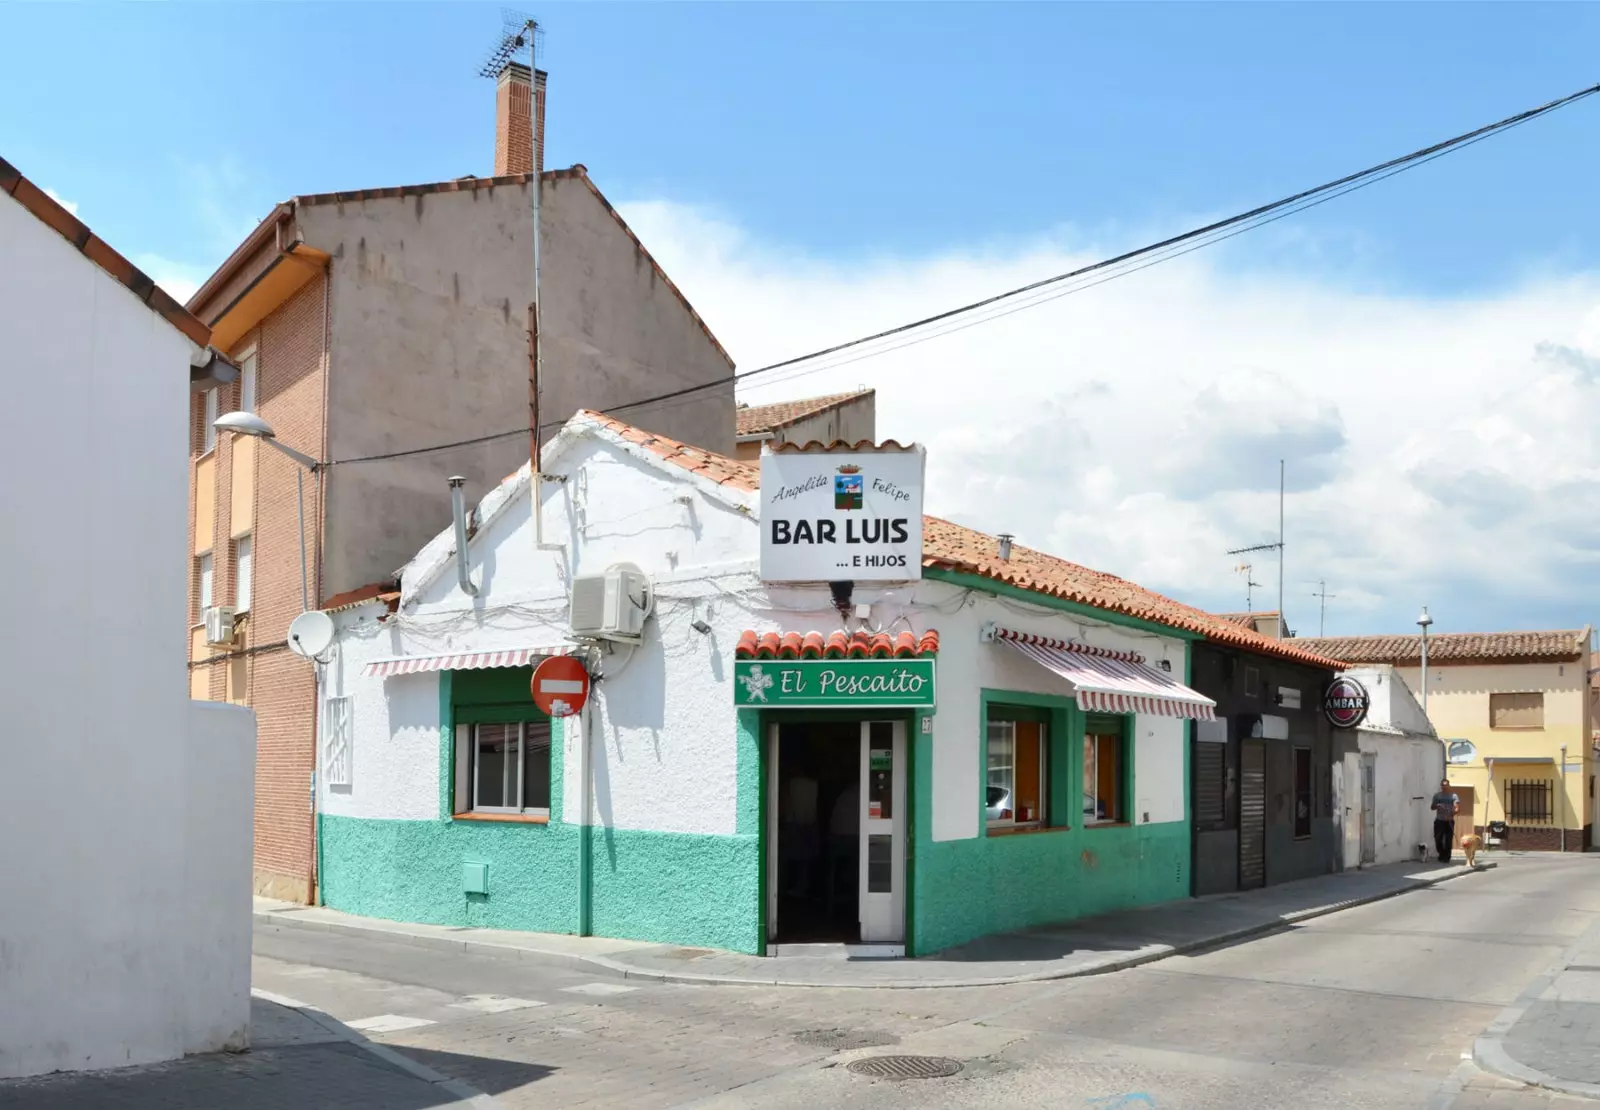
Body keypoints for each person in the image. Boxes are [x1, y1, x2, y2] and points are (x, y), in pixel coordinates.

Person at [1431, 779, 1460, 863]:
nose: (1444, 787)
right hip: (1439, 820)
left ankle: (1446, 857)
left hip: (1449, 821)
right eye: (1443, 785)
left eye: (1446, 785)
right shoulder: (1437, 796)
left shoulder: (1454, 796)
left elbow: (1457, 808)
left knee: (1448, 839)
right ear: (1441, 786)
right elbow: (1432, 807)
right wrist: (1437, 805)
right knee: (1438, 839)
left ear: (1448, 785)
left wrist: (1452, 814)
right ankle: (1441, 854)